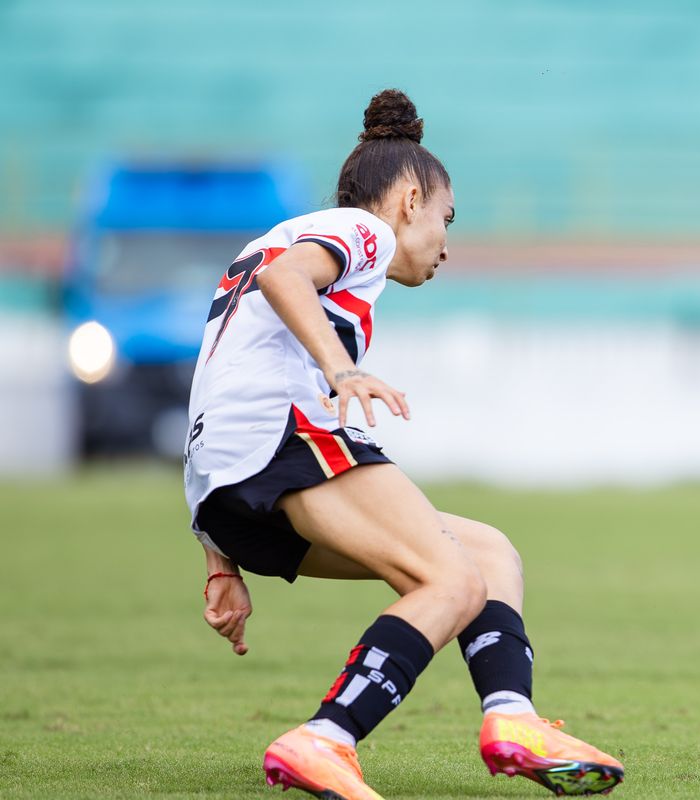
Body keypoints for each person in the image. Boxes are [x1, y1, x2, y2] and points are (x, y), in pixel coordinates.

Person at [184, 89, 623, 799]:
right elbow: (283, 280)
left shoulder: (275, 236)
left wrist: (217, 558)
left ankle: (513, 718)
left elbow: (213, 381)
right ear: (410, 197)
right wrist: (343, 369)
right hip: (287, 443)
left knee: (487, 554)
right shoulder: (364, 231)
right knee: (451, 581)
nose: (446, 242)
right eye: (446, 218)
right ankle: (325, 738)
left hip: (229, 482)